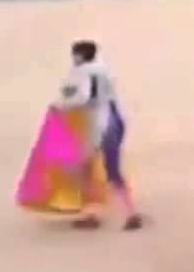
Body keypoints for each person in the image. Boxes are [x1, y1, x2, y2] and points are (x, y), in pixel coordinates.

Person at [55, 40, 144, 231]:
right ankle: (130, 213)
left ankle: (92, 215)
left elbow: (84, 97)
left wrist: (61, 105)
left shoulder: (83, 72)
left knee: (86, 170)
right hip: (115, 120)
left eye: (75, 54)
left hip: (98, 125)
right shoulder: (103, 69)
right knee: (112, 170)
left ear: (80, 56)